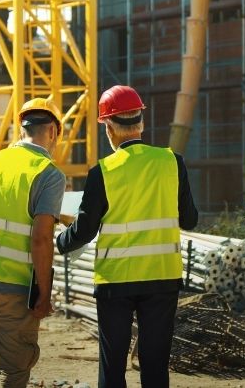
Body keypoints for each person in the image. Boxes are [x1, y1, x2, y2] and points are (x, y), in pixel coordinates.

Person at [56, 85, 198, 388]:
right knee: (156, 364)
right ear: (141, 123)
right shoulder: (173, 162)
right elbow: (191, 220)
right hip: (162, 278)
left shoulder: (102, 172)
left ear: (109, 128)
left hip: (115, 282)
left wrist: (60, 242)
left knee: (113, 364)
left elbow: (84, 231)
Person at [0, 98, 66, 388]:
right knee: (14, 369)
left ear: (21, 128)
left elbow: (4, 210)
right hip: (15, 288)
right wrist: (44, 293)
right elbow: (41, 238)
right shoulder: (49, 173)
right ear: (54, 131)